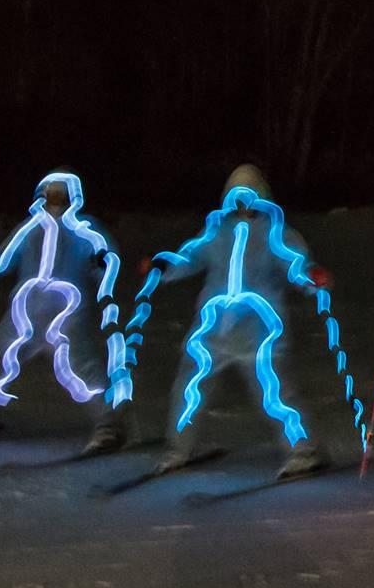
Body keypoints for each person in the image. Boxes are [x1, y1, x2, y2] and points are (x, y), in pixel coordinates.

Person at [123, 165, 349, 476]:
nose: (243, 205)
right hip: (213, 330)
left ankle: (303, 451)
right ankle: (178, 449)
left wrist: (312, 278)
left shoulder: (276, 233)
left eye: (250, 197)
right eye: (237, 198)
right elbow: (190, 257)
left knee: (276, 394)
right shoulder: (218, 231)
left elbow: (296, 265)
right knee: (189, 388)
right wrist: (163, 266)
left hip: (259, 332)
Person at [0, 171, 127, 453]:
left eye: (61, 194)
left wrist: (103, 263)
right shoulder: (31, 228)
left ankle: (108, 425)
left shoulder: (86, 229)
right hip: (26, 312)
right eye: (51, 194)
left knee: (82, 370)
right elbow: (3, 259)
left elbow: (107, 257)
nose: (55, 201)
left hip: (66, 314)